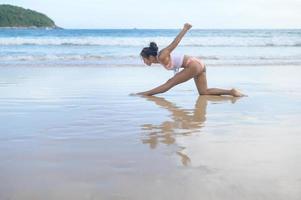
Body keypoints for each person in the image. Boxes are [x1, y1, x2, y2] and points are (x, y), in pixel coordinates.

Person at [136, 23, 246, 97]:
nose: (144, 62)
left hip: (193, 65)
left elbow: (175, 43)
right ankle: (232, 92)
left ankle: (145, 93)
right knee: (204, 92)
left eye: (144, 59)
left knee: (170, 83)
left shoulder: (162, 55)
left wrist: (185, 29)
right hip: (198, 65)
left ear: (150, 57)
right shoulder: (160, 59)